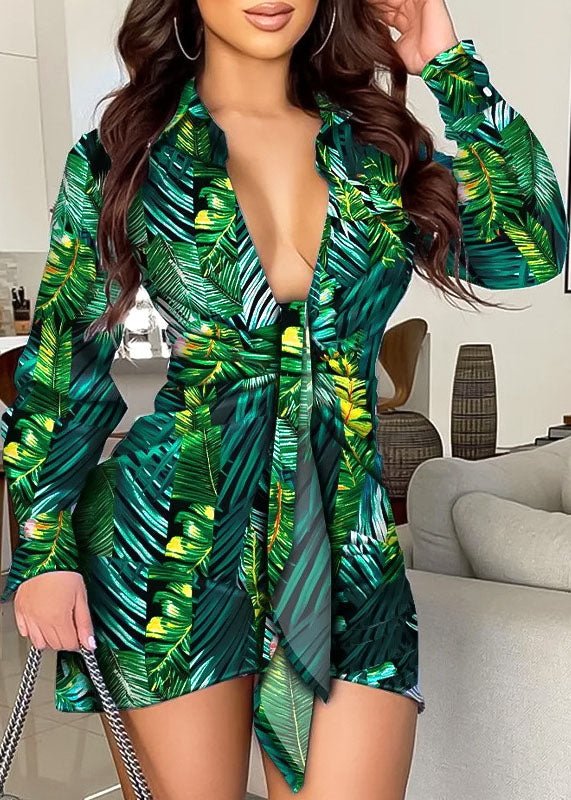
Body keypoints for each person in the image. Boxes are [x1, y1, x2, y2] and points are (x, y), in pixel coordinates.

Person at [1, 0, 568, 798]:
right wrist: (44, 552)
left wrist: (446, 63)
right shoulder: (124, 155)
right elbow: (64, 367)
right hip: (171, 544)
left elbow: (528, 247)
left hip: (347, 547)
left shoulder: (378, 149)